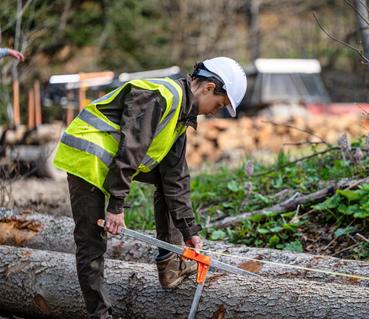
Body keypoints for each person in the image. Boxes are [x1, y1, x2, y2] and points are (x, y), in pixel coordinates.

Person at [53, 57, 247, 319]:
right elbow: (132, 148)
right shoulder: (159, 96)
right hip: (87, 156)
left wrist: (188, 230)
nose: (215, 112)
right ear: (209, 88)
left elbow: (176, 178)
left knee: (169, 185)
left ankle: (170, 265)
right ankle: (99, 315)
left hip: (113, 161)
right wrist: (116, 206)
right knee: (91, 242)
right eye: (220, 104)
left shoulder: (181, 115)